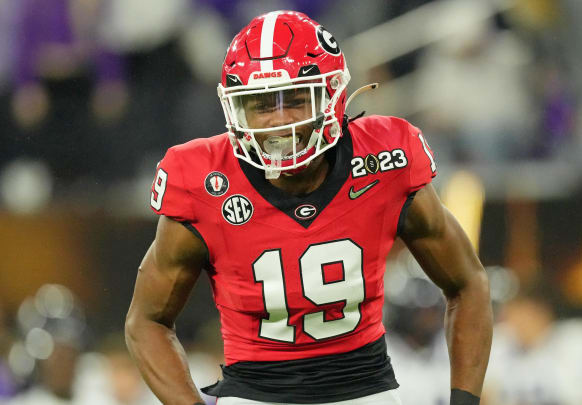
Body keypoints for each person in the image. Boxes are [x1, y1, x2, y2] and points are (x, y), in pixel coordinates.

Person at [125, 10, 492, 405]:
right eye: (261, 105)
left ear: (332, 96)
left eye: (295, 100)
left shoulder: (385, 159)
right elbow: (146, 322)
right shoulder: (202, 180)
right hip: (256, 395)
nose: (278, 123)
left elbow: (467, 283)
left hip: (366, 390)